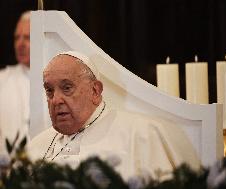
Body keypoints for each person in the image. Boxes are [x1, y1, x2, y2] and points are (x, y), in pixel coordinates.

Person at [28, 51, 200, 181]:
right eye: (49, 91)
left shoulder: (141, 134)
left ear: (95, 91)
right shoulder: (36, 146)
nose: (56, 100)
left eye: (67, 88)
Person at [0, 11, 30, 154]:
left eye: (27, 38)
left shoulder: (59, 81)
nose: (20, 44)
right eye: (17, 38)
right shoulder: (2, 79)